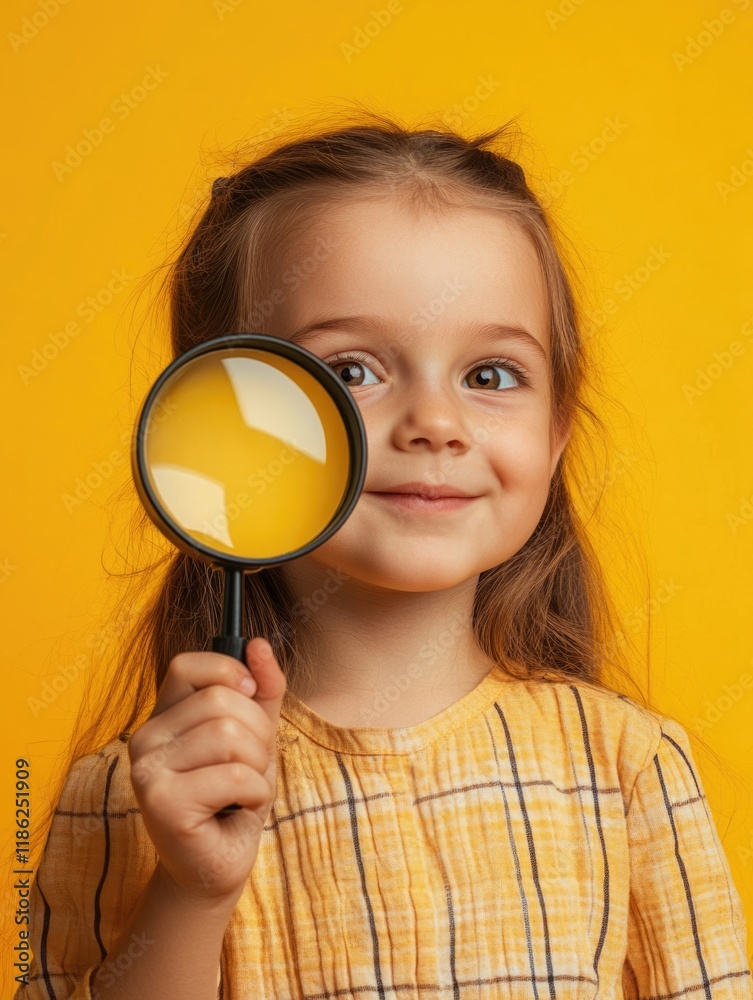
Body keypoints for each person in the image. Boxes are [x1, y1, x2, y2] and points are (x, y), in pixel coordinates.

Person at [14, 112, 751, 1000]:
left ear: (556, 434)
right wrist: (190, 891)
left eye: (489, 375)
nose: (434, 425)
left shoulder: (627, 765)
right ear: (227, 424)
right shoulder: (138, 797)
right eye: (353, 370)